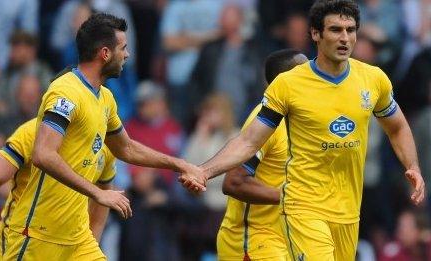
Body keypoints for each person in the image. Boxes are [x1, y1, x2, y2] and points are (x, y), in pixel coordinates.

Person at [180, 1, 426, 260]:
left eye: (350, 30)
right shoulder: (288, 85)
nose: (344, 38)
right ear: (316, 34)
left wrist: (412, 165)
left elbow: (396, 126)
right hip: (302, 208)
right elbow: (247, 142)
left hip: (348, 210)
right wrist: (205, 171)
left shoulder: (373, 79)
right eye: (335, 30)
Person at [2, 13, 199, 260]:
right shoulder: (66, 92)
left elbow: (126, 149)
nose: (127, 55)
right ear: (105, 53)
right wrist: (98, 193)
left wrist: (179, 164)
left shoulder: (105, 98)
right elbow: (43, 154)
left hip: (77, 239)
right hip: (39, 236)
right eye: (123, 48)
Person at [0, 118, 120, 260]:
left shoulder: (102, 144)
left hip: (72, 244)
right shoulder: (31, 133)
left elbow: (103, 201)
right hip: (20, 241)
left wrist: (89, 247)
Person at [218, 49, 308, 261]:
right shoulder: (265, 122)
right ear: (287, 82)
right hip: (253, 243)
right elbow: (234, 182)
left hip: (286, 240)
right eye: (307, 74)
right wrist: (294, 198)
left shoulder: (304, 120)